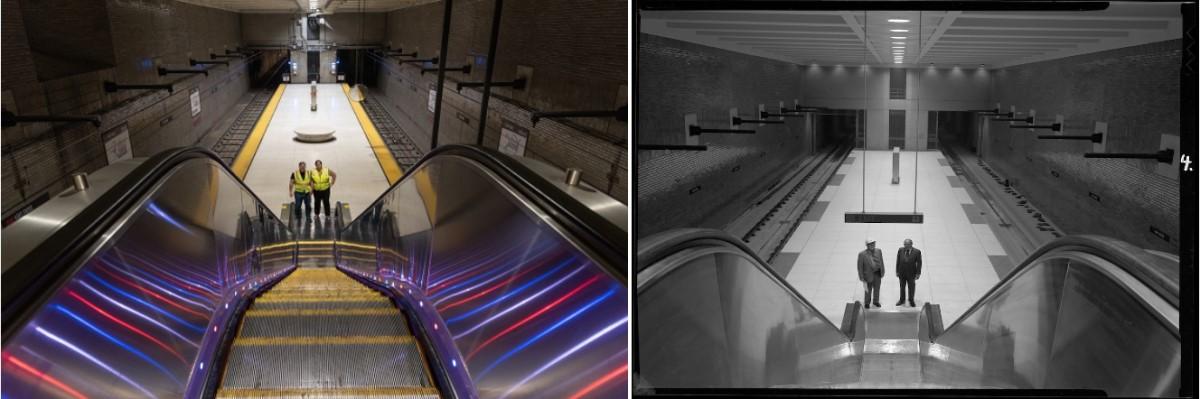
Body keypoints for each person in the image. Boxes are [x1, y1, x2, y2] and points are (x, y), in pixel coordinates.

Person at [857, 239, 884, 309]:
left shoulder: (878, 251)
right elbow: (860, 267)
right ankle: (867, 302)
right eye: (870, 244)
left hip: (877, 274)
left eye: (873, 244)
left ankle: (876, 301)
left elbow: (881, 261)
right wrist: (861, 277)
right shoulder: (862, 254)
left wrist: (883, 270)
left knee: (877, 289)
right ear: (867, 245)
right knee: (868, 290)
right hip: (868, 275)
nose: (872, 245)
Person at [895, 238, 923, 307]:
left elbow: (919, 263)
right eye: (905, 244)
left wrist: (918, 273)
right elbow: (898, 261)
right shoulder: (900, 250)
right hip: (902, 273)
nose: (906, 246)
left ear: (911, 244)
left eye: (907, 244)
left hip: (911, 273)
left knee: (911, 287)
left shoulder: (917, 252)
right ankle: (902, 300)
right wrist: (897, 271)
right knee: (902, 287)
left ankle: (911, 300)